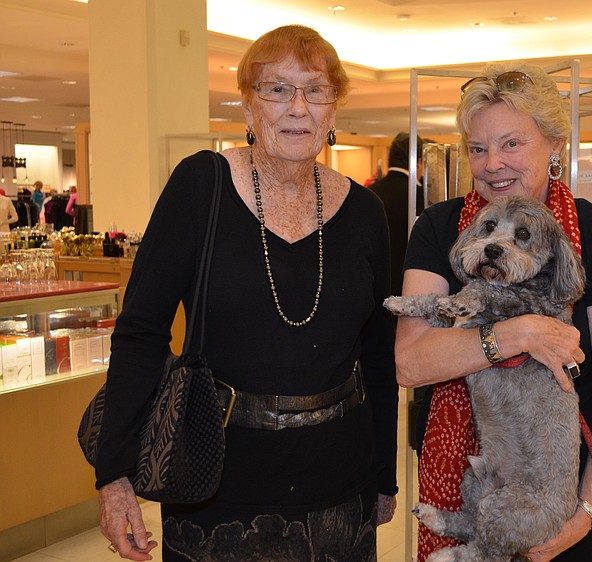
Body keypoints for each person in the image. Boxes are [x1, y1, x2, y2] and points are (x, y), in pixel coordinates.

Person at [96, 25, 398, 561]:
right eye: (277, 89)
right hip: (217, 479)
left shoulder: (365, 213)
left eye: (316, 90)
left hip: (340, 478)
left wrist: (384, 475)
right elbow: (140, 332)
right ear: (248, 104)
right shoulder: (200, 186)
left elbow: (377, 353)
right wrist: (114, 474)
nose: (298, 108)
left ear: (334, 111)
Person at [395, 62, 592, 561]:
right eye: (478, 148)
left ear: (554, 145)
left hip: (564, 487)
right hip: (466, 474)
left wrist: (584, 514)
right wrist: (516, 334)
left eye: (512, 144)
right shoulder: (439, 229)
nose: (492, 164)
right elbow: (410, 361)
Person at [369, 132, 425, 297]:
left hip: (374, 280)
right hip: (407, 282)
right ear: (419, 161)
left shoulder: (370, 192)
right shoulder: (418, 195)